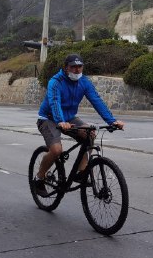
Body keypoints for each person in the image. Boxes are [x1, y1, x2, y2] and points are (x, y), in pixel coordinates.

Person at [33, 53, 124, 195]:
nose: (77, 70)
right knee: (56, 150)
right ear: (66, 68)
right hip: (48, 118)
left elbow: (97, 101)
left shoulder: (84, 82)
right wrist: (61, 121)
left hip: (69, 118)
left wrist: (112, 121)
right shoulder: (55, 82)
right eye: (73, 67)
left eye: (80, 67)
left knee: (90, 134)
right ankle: (39, 178)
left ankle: (81, 172)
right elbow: (55, 102)